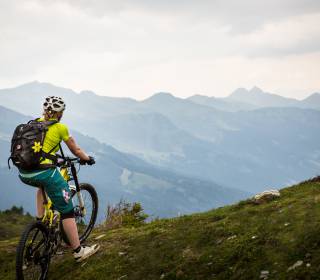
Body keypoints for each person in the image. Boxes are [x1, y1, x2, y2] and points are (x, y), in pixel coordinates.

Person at [18, 96, 100, 262]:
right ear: (60, 113)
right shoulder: (60, 127)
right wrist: (86, 158)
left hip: (24, 172)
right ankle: (78, 251)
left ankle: (40, 223)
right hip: (44, 173)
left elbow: (43, 149)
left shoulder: (35, 123)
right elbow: (75, 149)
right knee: (67, 211)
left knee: (41, 185)